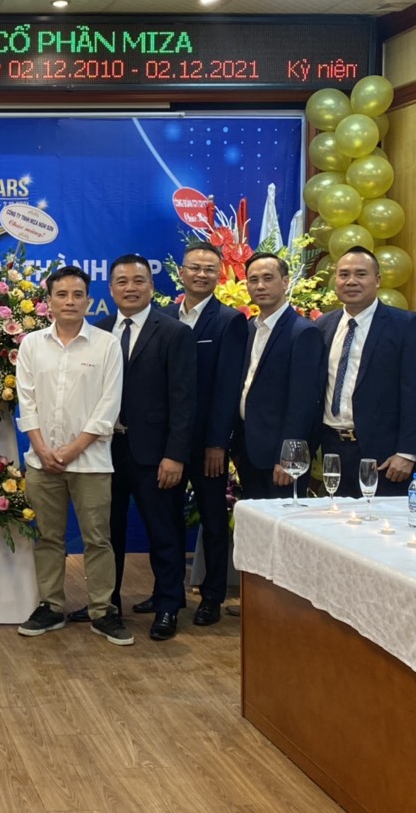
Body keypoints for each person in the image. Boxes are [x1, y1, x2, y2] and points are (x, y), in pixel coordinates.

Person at [15, 265, 130, 645]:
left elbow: (108, 406)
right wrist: (41, 448)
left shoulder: (106, 345)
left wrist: (73, 449)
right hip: (42, 462)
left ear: (88, 300)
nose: (69, 301)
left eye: (77, 295)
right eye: (61, 294)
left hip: (91, 462)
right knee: (48, 538)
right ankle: (50, 606)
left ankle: (103, 611)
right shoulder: (32, 344)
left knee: (98, 539)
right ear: (48, 301)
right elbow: (26, 401)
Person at [99, 254, 195, 641]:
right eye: (122, 281)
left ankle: (168, 605)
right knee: (107, 533)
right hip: (106, 450)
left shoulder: (174, 333)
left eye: (138, 281)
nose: (130, 288)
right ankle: (106, 605)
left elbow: (184, 401)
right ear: (111, 289)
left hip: (156, 454)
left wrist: (175, 455)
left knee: (163, 532)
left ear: (152, 287)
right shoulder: (98, 331)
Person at [160, 241, 247, 627]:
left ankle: (212, 595)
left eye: (209, 269)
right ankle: (168, 593)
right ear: (181, 272)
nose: (201, 274)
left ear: (219, 275)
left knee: (212, 519)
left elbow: (228, 388)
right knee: (166, 518)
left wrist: (217, 442)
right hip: (167, 441)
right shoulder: (162, 316)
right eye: (194, 267)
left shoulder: (229, 320)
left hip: (206, 443)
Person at [318, 246, 416, 498]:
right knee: (333, 519)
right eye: (344, 274)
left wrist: (407, 452)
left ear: (378, 280)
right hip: (332, 448)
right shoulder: (323, 325)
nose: (351, 281)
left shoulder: (405, 324)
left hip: (383, 455)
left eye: (361, 274)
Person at [237, 253, 326, 499]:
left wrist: (289, 456)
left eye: (268, 278)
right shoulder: (249, 329)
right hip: (248, 450)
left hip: (280, 457)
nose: (260, 286)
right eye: (253, 280)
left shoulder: (303, 332)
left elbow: (304, 402)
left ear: (285, 282)